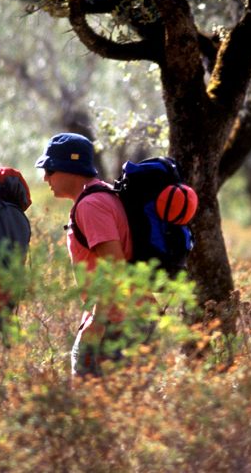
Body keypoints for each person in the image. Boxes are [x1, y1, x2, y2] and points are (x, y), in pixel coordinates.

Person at [36, 132, 152, 377]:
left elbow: (114, 267)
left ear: (71, 169)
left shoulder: (91, 205)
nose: (46, 177)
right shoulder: (103, 195)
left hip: (118, 324)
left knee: (95, 407)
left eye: (50, 169)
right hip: (129, 318)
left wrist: (97, 323)